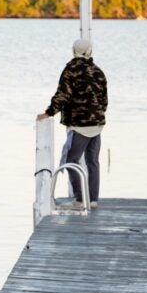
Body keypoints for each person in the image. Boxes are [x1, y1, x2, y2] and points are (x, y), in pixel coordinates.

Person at [37, 38, 108, 208]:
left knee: (70, 160)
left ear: (74, 50)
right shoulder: (98, 71)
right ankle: (92, 199)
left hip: (79, 126)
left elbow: (63, 95)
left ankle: (79, 199)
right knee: (93, 161)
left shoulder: (71, 70)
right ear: (89, 51)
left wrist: (48, 112)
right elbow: (104, 100)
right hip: (97, 124)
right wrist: (97, 115)